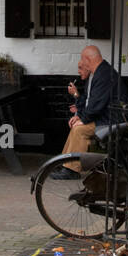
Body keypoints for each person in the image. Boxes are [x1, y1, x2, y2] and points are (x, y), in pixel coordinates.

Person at [52, 45, 120, 178]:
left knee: (79, 130)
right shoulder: (98, 73)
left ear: (88, 59)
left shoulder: (104, 74)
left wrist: (82, 119)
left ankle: (72, 170)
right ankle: (65, 163)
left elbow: (96, 105)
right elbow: (93, 103)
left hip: (111, 119)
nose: (81, 63)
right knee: (76, 127)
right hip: (104, 117)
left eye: (82, 60)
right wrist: (80, 117)